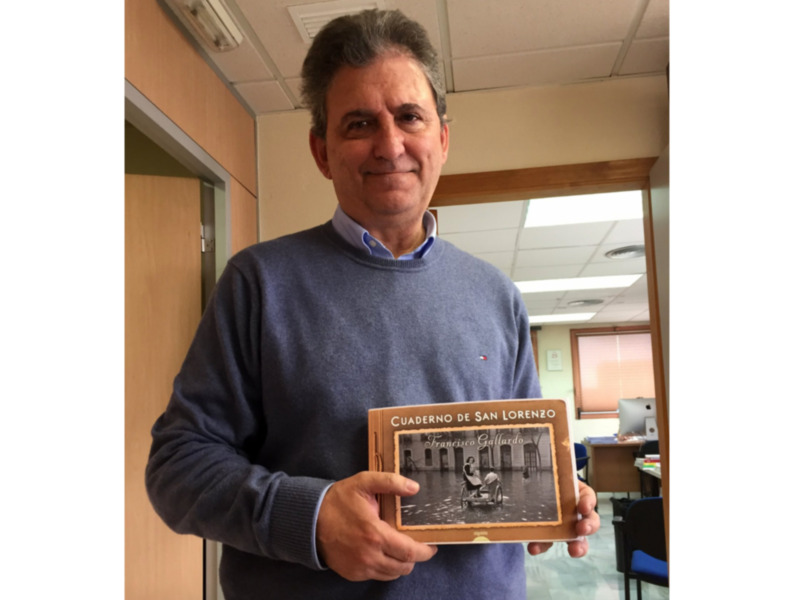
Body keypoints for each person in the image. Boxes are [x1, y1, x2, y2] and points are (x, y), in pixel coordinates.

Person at [145, 8, 600, 600]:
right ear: (322, 151)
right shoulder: (258, 283)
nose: (390, 145)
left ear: (441, 138)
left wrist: (556, 494)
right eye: (359, 123)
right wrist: (311, 519)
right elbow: (178, 467)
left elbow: (525, 454)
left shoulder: (497, 295)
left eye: (410, 116)